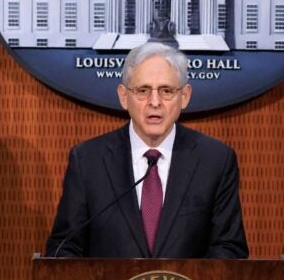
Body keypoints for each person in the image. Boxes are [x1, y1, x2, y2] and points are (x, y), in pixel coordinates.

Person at [45, 42, 248, 259]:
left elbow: (229, 249)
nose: (154, 102)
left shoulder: (215, 161)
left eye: (166, 91)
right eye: (142, 91)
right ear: (124, 97)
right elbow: (64, 248)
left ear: (185, 96)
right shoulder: (88, 161)